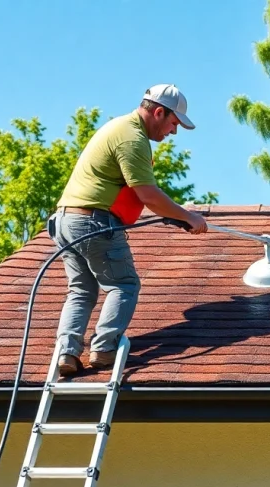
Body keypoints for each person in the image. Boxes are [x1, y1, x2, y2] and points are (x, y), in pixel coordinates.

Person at [48, 83, 208, 376]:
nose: (173, 132)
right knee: (124, 285)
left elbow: (135, 196)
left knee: (82, 290)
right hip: (93, 223)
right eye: (173, 124)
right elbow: (148, 194)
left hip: (66, 220)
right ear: (159, 112)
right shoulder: (132, 138)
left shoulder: (118, 127)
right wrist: (190, 216)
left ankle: (67, 353)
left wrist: (175, 216)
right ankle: (104, 349)